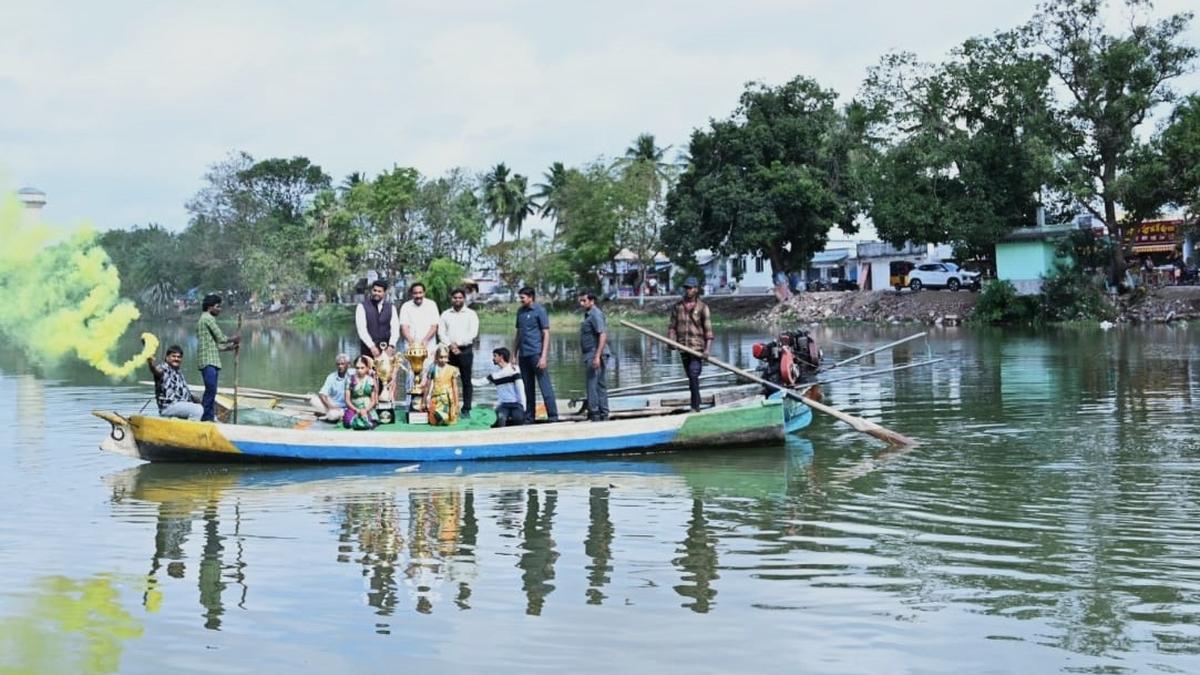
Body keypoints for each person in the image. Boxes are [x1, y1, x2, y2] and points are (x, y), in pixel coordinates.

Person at [667, 277, 713, 412]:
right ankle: (696, 402)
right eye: (686, 288)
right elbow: (672, 327)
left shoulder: (703, 307)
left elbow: (709, 331)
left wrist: (707, 350)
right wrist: (671, 340)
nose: (688, 290)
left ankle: (695, 407)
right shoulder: (678, 307)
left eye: (690, 288)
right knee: (690, 378)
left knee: (694, 375)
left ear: (696, 290)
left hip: (697, 349)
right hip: (683, 347)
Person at [513, 286, 559, 422]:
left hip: (536, 353)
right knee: (528, 387)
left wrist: (544, 356)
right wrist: (513, 355)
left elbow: (546, 333)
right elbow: (518, 334)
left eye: (523, 297)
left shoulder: (540, 311)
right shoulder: (520, 312)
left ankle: (553, 416)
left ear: (531, 297)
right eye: (520, 297)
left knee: (545, 386)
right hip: (523, 354)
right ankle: (529, 417)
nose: (520, 300)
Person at [196, 294, 241, 422]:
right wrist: (234, 338)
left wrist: (230, 347)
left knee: (211, 391)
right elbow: (221, 338)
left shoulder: (203, 320)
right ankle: (206, 418)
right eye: (217, 306)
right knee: (211, 391)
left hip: (210, 360)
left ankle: (207, 417)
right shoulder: (208, 318)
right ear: (210, 307)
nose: (219, 309)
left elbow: (214, 346)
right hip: (208, 362)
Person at [438, 288, 479, 416]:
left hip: (465, 350)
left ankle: (466, 409)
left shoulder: (471, 314)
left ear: (464, 299)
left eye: (460, 298)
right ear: (451, 299)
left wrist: (458, 344)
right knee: (447, 379)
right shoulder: (445, 314)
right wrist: (451, 345)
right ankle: (448, 407)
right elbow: (441, 332)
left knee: (466, 380)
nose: (457, 300)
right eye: (455, 298)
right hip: (449, 351)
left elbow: (473, 333)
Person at [146, 345, 203, 420]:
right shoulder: (164, 368)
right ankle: (192, 430)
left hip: (182, 405)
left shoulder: (178, 373)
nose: (176, 359)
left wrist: (202, 402)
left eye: (179, 357)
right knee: (197, 410)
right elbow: (155, 371)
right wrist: (151, 364)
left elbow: (187, 393)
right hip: (169, 407)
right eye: (173, 356)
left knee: (207, 410)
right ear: (167, 357)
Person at [578, 291, 610, 421]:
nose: (581, 303)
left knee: (593, 384)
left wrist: (597, 356)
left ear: (592, 301)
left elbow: (602, 334)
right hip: (592, 353)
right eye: (580, 300)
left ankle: (595, 412)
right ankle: (603, 412)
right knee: (599, 384)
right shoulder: (588, 315)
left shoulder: (595, 314)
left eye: (584, 301)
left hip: (595, 353)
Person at [355, 279, 400, 359]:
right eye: (374, 290)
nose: (376, 293)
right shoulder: (361, 307)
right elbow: (362, 330)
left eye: (379, 291)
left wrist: (392, 345)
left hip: (387, 350)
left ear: (384, 293)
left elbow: (395, 329)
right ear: (371, 291)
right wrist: (372, 346)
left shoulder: (391, 308)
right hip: (368, 350)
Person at [400, 281, 440, 366]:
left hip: (428, 345)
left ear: (424, 293)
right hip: (411, 347)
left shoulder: (432, 305)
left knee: (428, 374)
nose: (418, 296)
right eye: (415, 293)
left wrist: (425, 340)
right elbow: (404, 327)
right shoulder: (405, 306)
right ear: (411, 294)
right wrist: (412, 342)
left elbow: (434, 326)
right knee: (411, 374)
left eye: (420, 292)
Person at [485, 347, 526, 427]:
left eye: (495, 356)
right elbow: (480, 382)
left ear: (501, 357)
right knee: (500, 419)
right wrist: (464, 378)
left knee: (518, 418)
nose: (493, 359)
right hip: (504, 405)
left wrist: (523, 406)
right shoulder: (496, 375)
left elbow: (521, 389)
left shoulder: (514, 370)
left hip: (516, 404)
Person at [423, 346, 461, 426]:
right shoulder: (432, 368)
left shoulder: (453, 369)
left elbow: (455, 387)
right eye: (441, 357)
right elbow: (427, 386)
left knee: (447, 420)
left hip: (448, 399)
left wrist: (457, 403)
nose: (443, 359)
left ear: (448, 357)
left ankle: (446, 415)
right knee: (434, 422)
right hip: (435, 399)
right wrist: (424, 401)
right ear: (436, 357)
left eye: (445, 357)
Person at [309, 353, 350, 423]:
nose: (340, 366)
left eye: (342, 364)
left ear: (348, 365)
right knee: (311, 398)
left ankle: (328, 414)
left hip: (344, 408)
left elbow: (365, 368)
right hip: (332, 405)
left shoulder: (352, 375)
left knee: (333, 416)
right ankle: (329, 413)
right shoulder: (331, 376)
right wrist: (330, 406)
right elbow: (322, 394)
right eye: (338, 364)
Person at [343, 355, 380, 430]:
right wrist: (357, 410)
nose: (359, 370)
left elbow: (373, 401)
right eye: (357, 368)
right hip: (353, 408)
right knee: (348, 422)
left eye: (362, 368)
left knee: (371, 422)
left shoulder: (371, 380)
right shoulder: (350, 380)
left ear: (367, 368)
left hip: (368, 407)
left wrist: (365, 410)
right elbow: (347, 400)